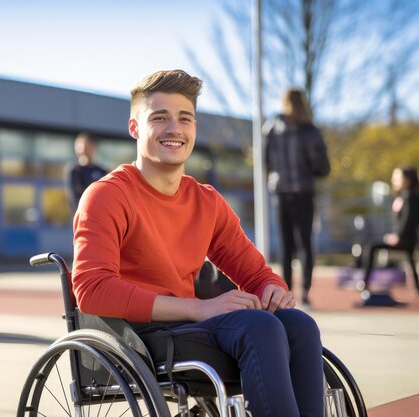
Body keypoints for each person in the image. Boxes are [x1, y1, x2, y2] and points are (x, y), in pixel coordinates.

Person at [72, 70, 324, 417]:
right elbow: (91, 290)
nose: (174, 128)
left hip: (190, 326)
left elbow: (255, 272)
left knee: (298, 324)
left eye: (184, 119)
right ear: (135, 128)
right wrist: (198, 308)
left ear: (194, 128)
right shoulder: (106, 196)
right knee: (259, 328)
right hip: (136, 335)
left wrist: (273, 289)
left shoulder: (205, 200)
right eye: (159, 118)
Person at [264, 88, 330, 307]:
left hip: (280, 193)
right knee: (305, 245)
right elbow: (322, 167)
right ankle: (305, 295)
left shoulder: (271, 127)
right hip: (303, 193)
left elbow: (265, 162)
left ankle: (286, 295)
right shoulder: (310, 131)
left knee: (286, 246)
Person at [362, 165, 419, 295]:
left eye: (397, 177)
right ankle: (417, 286)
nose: (394, 180)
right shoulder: (404, 196)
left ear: (407, 180)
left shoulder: (410, 197)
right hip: (404, 238)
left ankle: (365, 284)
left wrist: (398, 236)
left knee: (371, 247)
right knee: (409, 259)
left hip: (406, 240)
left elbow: (408, 221)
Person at [63, 132, 108, 211]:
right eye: (82, 146)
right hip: (83, 215)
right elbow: (73, 198)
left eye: (89, 145)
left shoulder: (102, 171)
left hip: (101, 216)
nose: (85, 149)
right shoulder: (74, 170)